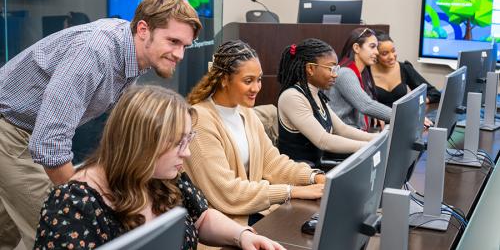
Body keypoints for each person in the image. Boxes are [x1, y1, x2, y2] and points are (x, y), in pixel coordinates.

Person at [0, 0, 202, 249]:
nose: (180, 54)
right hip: (12, 130)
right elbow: (48, 142)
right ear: (143, 29)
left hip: (27, 129)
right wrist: (86, 202)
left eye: (185, 45)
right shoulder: (95, 53)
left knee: (7, 234)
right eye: (173, 41)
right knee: (52, 223)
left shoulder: (133, 51)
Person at [33, 85, 285, 250]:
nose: (186, 153)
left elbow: (202, 217)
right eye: (178, 143)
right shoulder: (74, 204)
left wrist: (242, 235)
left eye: (189, 139)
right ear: (142, 144)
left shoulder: (163, 177)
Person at [184, 40, 325, 227]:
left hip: (251, 215)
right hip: (222, 228)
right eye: (248, 81)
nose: (256, 88)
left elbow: (273, 163)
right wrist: (292, 191)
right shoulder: (200, 121)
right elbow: (228, 192)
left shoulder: (246, 113)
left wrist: (314, 177)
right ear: (224, 79)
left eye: (259, 79)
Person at [277, 38, 376, 168]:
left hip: (315, 169)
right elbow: (324, 141)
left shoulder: (315, 94)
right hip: (299, 175)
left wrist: (375, 138)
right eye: (331, 68)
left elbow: (342, 129)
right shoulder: (292, 97)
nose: (335, 75)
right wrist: (369, 146)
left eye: (336, 68)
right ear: (311, 68)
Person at [327, 27, 392, 130]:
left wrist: (375, 115)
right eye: (372, 47)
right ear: (356, 48)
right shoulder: (345, 73)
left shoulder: (363, 72)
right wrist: (402, 115)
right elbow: (366, 105)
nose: (377, 52)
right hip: (343, 136)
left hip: (355, 132)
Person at [371, 31, 441, 107]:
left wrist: (415, 103)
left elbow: (434, 93)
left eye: (393, 51)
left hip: (402, 117)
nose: (391, 57)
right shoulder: (365, 73)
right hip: (378, 118)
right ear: (375, 54)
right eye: (385, 53)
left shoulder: (404, 68)